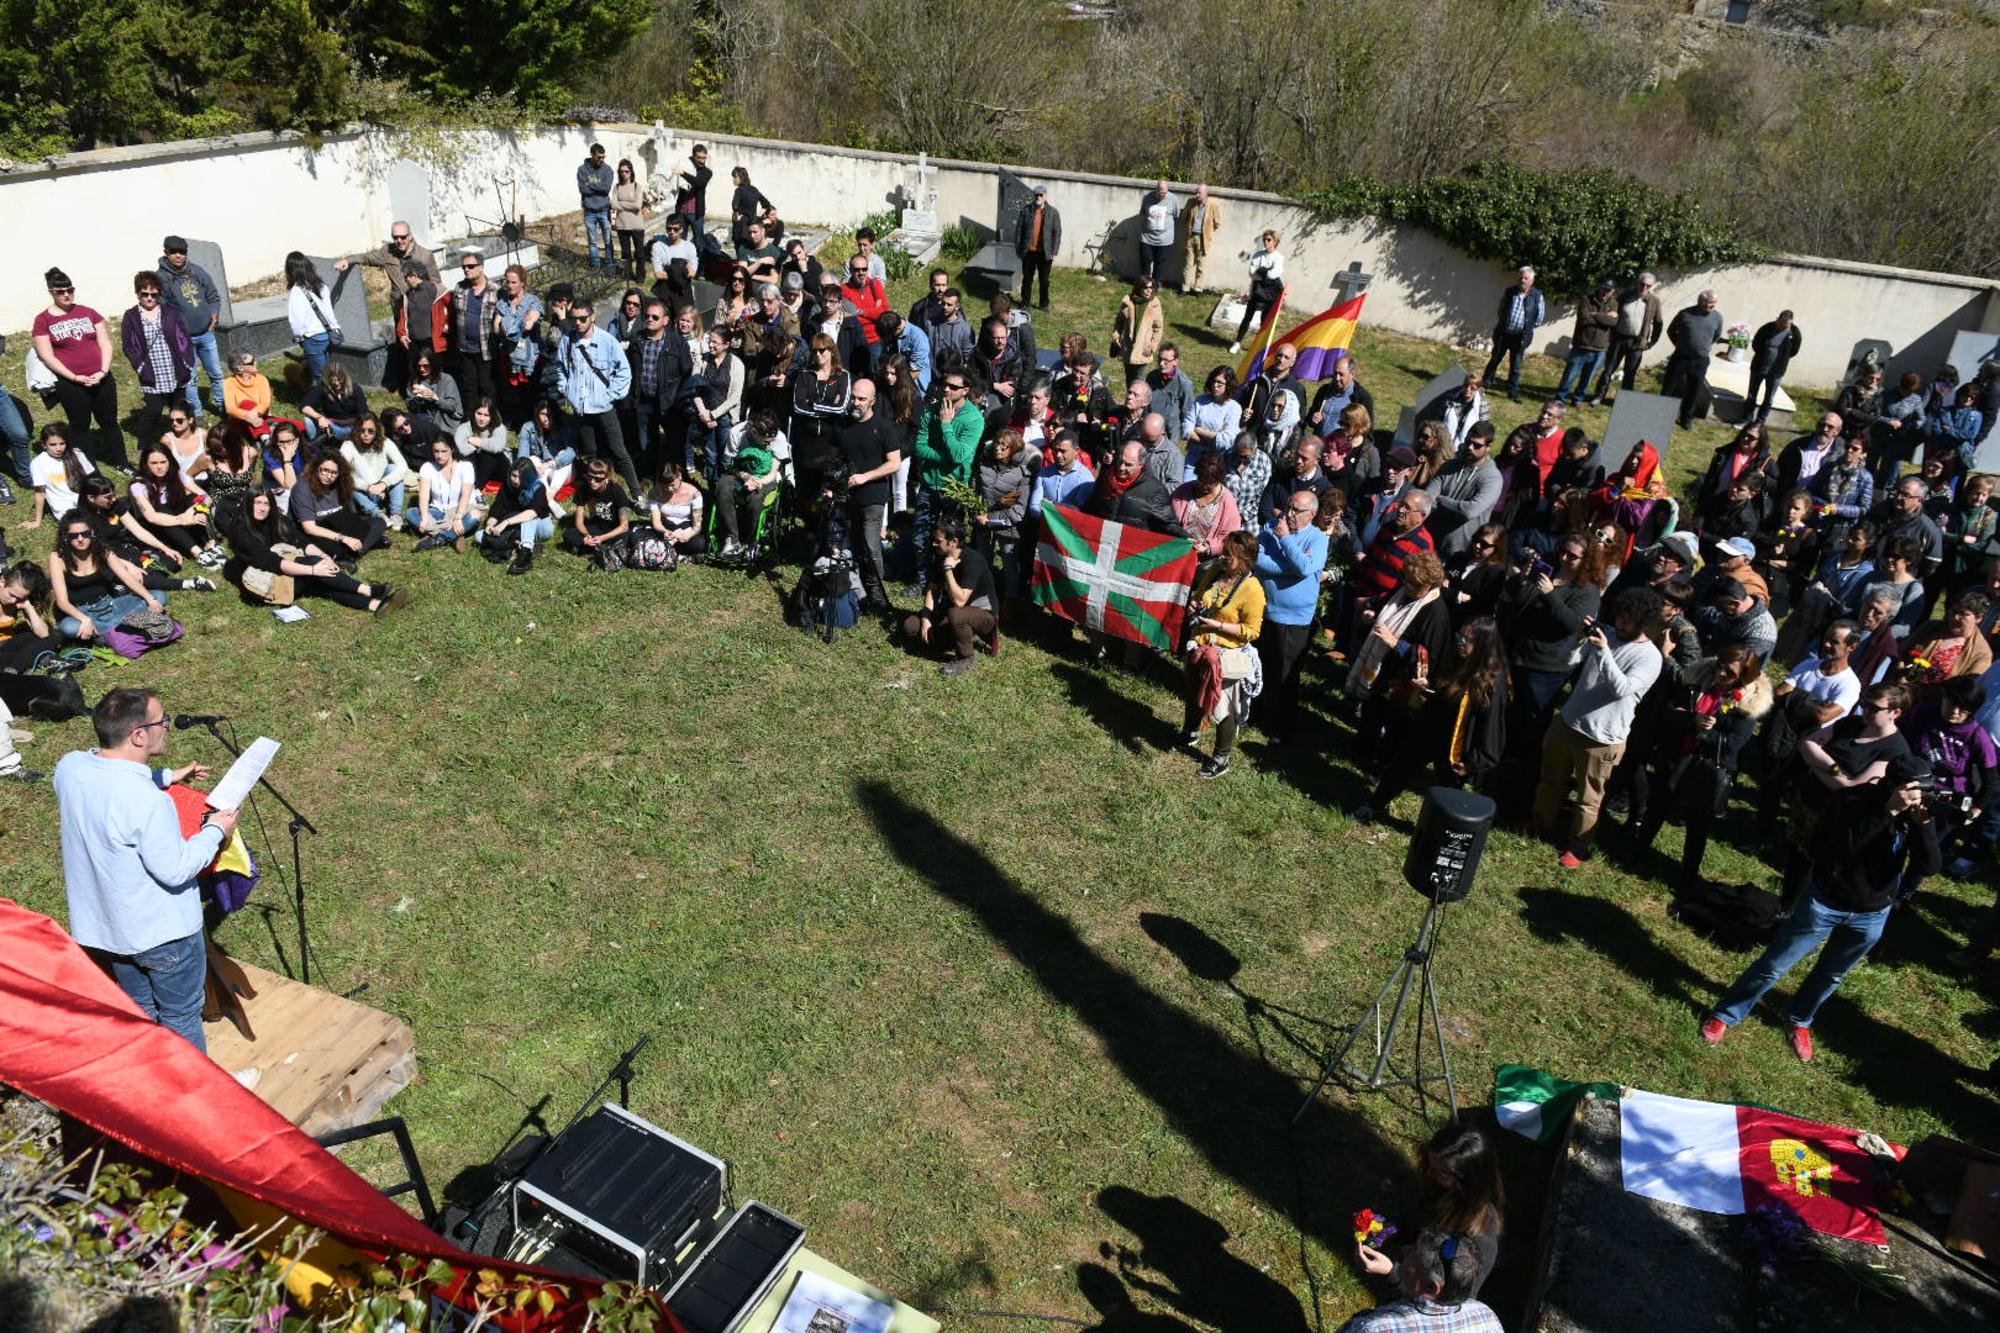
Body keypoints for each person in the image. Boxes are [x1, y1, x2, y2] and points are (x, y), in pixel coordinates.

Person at [1702, 751, 1938, 1063]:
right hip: (1826, 902)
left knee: (1832, 975)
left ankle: (1799, 1020)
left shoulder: (1914, 815)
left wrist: (1924, 827)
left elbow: (1931, 865)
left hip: (1872, 914)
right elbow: (1838, 849)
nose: (1920, 797)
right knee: (1775, 965)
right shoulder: (1852, 801)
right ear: (1897, 786)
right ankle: (1727, 1014)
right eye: (1916, 789)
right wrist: (1887, 813)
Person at [53, 688, 240, 1053]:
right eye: (162, 721)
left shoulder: (70, 767)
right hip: (162, 935)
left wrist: (168, 775)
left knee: (140, 1013)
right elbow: (177, 868)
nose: (167, 726)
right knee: (181, 1016)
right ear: (138, 735)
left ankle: (154, 1089)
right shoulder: (149, 804)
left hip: (109, 931)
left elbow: (113, 782)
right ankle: (194, 1097)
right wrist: (216, 830)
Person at [1532, 587, 1666, 868]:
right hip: (1568, 722)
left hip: (1602, 738)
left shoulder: (1650, 658)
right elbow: (1566, 661)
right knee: (1550, 782)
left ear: (1644, 623)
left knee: (1588, 798)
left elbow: (1622, 689)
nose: (1619, 623)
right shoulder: (1609, 634)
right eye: (1618, 616)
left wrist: (1604, 651)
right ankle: (1541, 824)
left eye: (1627, 620)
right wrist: (1579, 642)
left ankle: (1578, 848)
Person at [1629, 645, 1772, 890]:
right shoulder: (1698, 679)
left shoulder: (1747, 703)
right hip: (1676, 755)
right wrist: (1691, 719)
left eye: (1730, 673)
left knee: (1697, 825)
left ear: (1743, 678)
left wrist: (1708, 733)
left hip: (1705, 769)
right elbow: (1670, 711)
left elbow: (1734, 743)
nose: (1722, 674)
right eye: (1721, 666)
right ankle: (1637, 853)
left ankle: (1687, 878)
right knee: (1657, 807)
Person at [1354, 616, 1508, 823]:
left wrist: (1472, 764)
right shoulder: (1457, 659)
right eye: (1460, 635)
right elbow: (1444, 689)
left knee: (1446, 791)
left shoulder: (1491, 683)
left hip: (1455, 743)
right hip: (1430, 727)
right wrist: (1428, 686)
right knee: (1401, 766)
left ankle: (1438, 829)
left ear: (1483, 646)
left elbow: (1491, 730)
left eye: (1468, 639)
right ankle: (1374, 805)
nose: (1461, 642)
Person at [220, 490, 402, 613]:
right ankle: (369, 590)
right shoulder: (241, 532)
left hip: (284, 570)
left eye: (266, 503)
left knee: (322, 585)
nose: (262, 508)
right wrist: (314, 568)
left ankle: (375, 605)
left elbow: (299, 540)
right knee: (316, 572)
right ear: (247, 504)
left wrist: (323, 556)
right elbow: (274, 563)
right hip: (264, 583)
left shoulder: (276, 520)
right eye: (257, 502)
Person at [1180, 530, 1264, 779]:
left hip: (1225, 654)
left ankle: (1221, 757)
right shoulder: (1215, 572)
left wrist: (1218, 626)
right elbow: (1199, 596)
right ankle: (1190, 733)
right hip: (1200, 646)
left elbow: (1252, 631)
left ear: (1246, 559)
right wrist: (1195, 605)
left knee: (1221, 706)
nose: (1224, 558)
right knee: (1194, 691)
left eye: (1230, 555)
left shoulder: (1252, 589)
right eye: (1224, 552)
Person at [1252, 489, 1331, 743]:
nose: (1289, 514)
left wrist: (1285, 541)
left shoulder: (1317, 539)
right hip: (1264, 609)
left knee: (1286, 674)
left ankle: (1280, 728)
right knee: (1260, 664)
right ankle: (1255, 712)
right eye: (1288, 507)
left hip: (1294, 619)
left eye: (1297, 510)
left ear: (1313, 513)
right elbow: (1257, 559)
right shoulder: (1270, 527)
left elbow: (1307, 567)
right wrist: (1291, 568)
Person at [34, 267, 126, 469]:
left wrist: (102, 371)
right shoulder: (43, 320)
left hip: (102, 379)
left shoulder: (87, 312)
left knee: (109, 422)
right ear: (51, 292)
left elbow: (106, 344)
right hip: (71, 384)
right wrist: (74, 377)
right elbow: (46, 356)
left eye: (69, 290)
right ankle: (88, 468)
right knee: (80, 427)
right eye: (60, 291)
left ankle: (122, 462)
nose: (66, 294)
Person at [1342, 1227, 1502, 1333]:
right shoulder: (1485, 1317)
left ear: (1432, 1288)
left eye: (1414, 1253)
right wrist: (1392, 1270)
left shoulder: (1375, 1328)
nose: (1405, 1249)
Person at [557, 298, 640, 493]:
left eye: (582, 319)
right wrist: (566, 389)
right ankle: (596, 491)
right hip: (581, 409)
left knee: (619, 451)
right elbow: (561, 368)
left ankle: (636, 493)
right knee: (591, 452)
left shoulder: (607, 341)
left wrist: (610, 395)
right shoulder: (567, 341)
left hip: (604, 407)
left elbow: (624, 371)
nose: (578, 323)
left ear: (592, 317)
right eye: (574, 319)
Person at [912, 372, 986, 587]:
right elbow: (919, 447)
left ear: (965, 391)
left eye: (953, 387)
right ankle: (923, 581)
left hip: (953, 489)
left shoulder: (973, 418)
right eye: (944, 384)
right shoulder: (932, 410)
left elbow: (959, 455)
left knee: (951, 540)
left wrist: (946, 425)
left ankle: (948, 582)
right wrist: (943, 459)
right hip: (929, 483)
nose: (946, 389)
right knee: (921, 537)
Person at [902, 513, 998, 676]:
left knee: (956, 614)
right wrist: (925, 619)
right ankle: (948, 639)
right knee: (911, 626)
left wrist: (948, 570)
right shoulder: (940, 556)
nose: (934, 544)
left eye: (938, 541)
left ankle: (965, 657)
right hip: (953, 612)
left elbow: (960, 601)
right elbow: (932, 590)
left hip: (983, 615)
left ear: (953, 542)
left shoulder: (972, 560)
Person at [47, 513, 167, 643]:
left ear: (92, 532)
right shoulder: (58, 558)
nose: (80, 539)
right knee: (69, 627)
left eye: (85, 533)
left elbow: (127, 579)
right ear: (65, 537)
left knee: (159, 596)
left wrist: (150, 599)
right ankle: (125, 627)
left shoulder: (102, 550)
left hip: (110, 606)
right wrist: (85, 619)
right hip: (80, 611)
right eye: (73, 536)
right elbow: (62, 602)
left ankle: (106, 633)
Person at [121, 271, 196, 453]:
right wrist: (140, 367)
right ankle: (144, 445)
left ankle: (182, 441)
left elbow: (184, 337)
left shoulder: (170, 312)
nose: (149, 298)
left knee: (177, 408)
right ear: (138, 293)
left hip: (174, 367)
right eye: (144, 294)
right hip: (151, 370)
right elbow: (129, 346)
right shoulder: (131, 316)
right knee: (153, 410)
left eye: (153, 294)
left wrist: (187, 362)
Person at [157, 236, 227, 418]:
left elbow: (213, 295)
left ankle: (223, 405)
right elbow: (161, 309)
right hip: (184, 340)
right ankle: (197, 414)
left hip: (206, 333)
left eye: (182, 252)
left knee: (217, 373)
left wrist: (214, 316)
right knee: (190, 379)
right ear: (166, 253)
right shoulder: (161, 278)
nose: (178, 256)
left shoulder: (197, 271)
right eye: (173, 252)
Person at [128, 442, 222, 568]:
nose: (159, 467)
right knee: (163, 510)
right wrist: (182, 520)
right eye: (154, 463)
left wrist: (191, 511)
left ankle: (208, 543)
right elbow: (151, 517)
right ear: (146, 465)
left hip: (181, 515)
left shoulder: (176, 474)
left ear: (169, 462)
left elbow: (205, 496)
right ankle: (198, 553)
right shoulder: (139, 485)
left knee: (194, 499)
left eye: (163, 462)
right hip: (158, 525)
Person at [714, 409, 787, 557]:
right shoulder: (736, 433)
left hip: (765, 477)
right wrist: (746, 476)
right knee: (723, 487)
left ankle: (752, 540)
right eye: (766, 441)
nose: (768, 444)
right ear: (753, 431)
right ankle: (732, 538)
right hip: (739, 472)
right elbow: (730, 466)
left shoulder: (779, 438)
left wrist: (758, 481)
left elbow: (773, 472)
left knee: (756, 498)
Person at [1426, 425, 1502, 557]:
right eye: (1467, 442)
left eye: (1477, 445)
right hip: (1429, 539)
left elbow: (1470, 511)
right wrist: (1457, 505)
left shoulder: (1492, 478)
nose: (1470, 447)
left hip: (1459, 552)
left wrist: (1442, 500)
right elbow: (1427, 499)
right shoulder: (1449, 466)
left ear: (1489, 447)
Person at [479, 456, 557, 575]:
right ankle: (523, 546)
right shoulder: (506, 487)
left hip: (541, 527)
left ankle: (525, 554)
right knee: (480, 536)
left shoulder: (537, 488)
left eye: (521, 477)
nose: (516, 480)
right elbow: (496, 509)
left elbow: (533, 512)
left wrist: (505, 523)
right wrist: (490, 525)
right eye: (514, 475)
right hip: (517, 527)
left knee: (529, 517)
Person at [1592, 272, 1661, 405]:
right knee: (1609, 369)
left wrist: (1652, 341)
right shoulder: (1626, 296)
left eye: (1648, 286)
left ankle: (1623, 402)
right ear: (1637, 283)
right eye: (1642, 284)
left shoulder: (1655, 301)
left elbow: (1658, 322)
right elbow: (1613, 311)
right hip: (1619, 338)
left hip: (1638, 342)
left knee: (1630, 373)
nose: (1644, 288)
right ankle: (1598, 396)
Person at [1482, 266, 1545, 403]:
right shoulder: (1510, 292)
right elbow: (1501, 309)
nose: (1522, 280)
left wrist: (1526, 328)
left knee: (1515, 366)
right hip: (1504, 334)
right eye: (1520, 277)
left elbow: (1539, 318)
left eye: (1525, 278)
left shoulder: (1537, 296)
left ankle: (1512, 391)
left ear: (1531, 281)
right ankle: (1485, 385)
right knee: (1495, 359)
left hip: (1520, 337)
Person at [1663, 290, 1724, 430]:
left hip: (1700, 360)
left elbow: (1716, 336)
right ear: (1700, 302)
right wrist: (1680, 345)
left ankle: (1686, 419)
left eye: (1713, 305)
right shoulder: (1685, 314)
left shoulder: (1717, 317)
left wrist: (1702, 347)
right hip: (1681, 357)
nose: (1711, 308)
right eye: (1709, 305)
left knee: (1694, 391)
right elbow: (1671, 331)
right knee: (1669, 387)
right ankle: (1663, 414)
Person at [407, 436, 479, 551]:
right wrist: (425, 517)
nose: (439, 455)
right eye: (436, 451)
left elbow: (466, 494)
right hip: (437, 512)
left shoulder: (466, 466)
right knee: (411, 513)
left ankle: (434, 539)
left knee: (474, 515)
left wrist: (458, 518)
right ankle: (454, 535)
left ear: (452, 449)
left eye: (443, 451)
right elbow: (424, 495)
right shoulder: (427, 467)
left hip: (459, 509)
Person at [1554, 279, 1619, 405]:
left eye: (1609, 290)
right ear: (1600, 287)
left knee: (1588, 378)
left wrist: (1595, 314)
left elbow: (1613, 323)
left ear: (1613, 291)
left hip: (1599, 349)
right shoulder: (1586, 300)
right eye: (1604, 289)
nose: (1605, 293)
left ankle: (1577, 399)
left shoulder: (1614, 304)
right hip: (1581, 345)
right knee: (1570, 375)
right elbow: (1584, 319)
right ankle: (1560, 398)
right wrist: (1605, 316)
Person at [564, 455, 638, 565]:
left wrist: (602, 538)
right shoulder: (584, 489)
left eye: (598, 479)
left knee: (627, 536)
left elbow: (624, 526)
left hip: (615, 530)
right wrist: (586, 536)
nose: (592, 482)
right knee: (568, 534)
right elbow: (579, 522)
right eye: (589, 477)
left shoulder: (617, 491)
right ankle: (596, 546)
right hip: (598, 527)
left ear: (606, 478)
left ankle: (594, 547)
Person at [1172, 450, 1243, 562]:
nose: (1204, 486)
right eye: (1201, 480)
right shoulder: (1183, 491)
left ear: (1218, 480)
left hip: (1205, 561)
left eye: (1210, 483)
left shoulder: (1227, 502)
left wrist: (1210, 548)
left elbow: (1232, 540)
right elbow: (1168, 520)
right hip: (1177, 552)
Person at [23, 422, 95, 531]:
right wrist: (37, 521)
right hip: (66, 510)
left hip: (88, 503)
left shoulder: (76, 453)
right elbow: (40, 493)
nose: (58, 448)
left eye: (62, 443)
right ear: (44, 444)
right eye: (53, 445)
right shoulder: (39, 463)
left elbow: (91, 481)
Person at [341, 414, 409, 530]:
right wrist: (368, 487)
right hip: (362, 492)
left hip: (383, 490)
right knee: (346, 481)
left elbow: (403, 466)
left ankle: (395, 514)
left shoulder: (385, 442)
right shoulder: (349, 445)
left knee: (393, 468)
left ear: (377, 430)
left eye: (370, 431)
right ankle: (377, 514)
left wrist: (384, 483)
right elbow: (343, 472)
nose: (366, 434)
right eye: (362, 430)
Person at [283, 251, 341, 383]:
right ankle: (336, 397)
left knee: (320, 377)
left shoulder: (297, 291)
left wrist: (299, 338)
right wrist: (334, 327)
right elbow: (328, 311)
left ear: (291, 271)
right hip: (327, 334)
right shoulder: (320, 285)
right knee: (330, 372)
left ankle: (327, 401)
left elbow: (296, 320)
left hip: (311, 337)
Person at [1230, 230, 1285, 354]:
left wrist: (1260, 270)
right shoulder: (1257, 255)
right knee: (1247, 317)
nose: (1266, 242)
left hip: (1271, 293)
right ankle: (1237, 342)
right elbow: (1252, 273)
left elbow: (1273, 274)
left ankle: (1258, 347)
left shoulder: (1278, 257)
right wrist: (1265, 272)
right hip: (1257, 290)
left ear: (1275, 242)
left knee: (1264, 321)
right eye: (1264, 239)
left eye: (1269, 239)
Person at [644, 460, 707, 562]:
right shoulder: (654, 493)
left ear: (679, 476)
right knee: (645, 537)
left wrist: (689, 534)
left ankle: (664, 551)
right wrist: (664, 531)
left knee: (699, 543)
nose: (669, 489)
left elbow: (697, 526)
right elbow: (656, 522)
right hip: (665, 527)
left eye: (672, 485)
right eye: (664, 486)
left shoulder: (694, 493)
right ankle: (677, 554)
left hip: (685, 528)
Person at [1747, 310, 1803, 424]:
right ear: (1777, 318)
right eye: (1781, 323)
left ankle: (1760, 421)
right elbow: (1756, 344)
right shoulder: (1767, 328)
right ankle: (1747, 418)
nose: (1783, 326)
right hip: (1759, 367)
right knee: (1752, 394)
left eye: (1786, 325)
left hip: (1776, 372)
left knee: (1769, 398)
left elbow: (1793, 351)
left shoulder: (1795, 333)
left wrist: (1781, 360)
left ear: (1791, 323)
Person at [1110, 277, 1164, 387]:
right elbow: (1118, 323)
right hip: (1126, 348)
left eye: (1151, 287)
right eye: (1145, 287)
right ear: (1139, 288)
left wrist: (1152, 346)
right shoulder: (1128, 301)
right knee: (1129, 380)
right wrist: (1116, 337)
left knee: (1139, 380)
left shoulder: (1154, 304)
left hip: (1142, 350)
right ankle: (1130, 401)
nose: (1149, 290)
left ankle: (1140, 403)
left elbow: (1158, 329)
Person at [1014, 184, 1060, 310]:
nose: (1038, 197)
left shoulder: (1053, 213)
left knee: (1044, 280)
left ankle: (1044, 303)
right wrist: (1018, 248)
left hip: (1045, 252)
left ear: (1045, 196)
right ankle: (1025, 302)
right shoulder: (1026, 210)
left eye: (1041, 194)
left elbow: (1057, 232)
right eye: (1036, 194)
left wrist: (1054, 250)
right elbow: (1019, 231)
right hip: (1029, 252)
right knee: (1027, 279)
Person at [300, 362, 366, 443]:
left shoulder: (356, 389)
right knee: (308, 420)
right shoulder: (323, 388)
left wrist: (338, 422)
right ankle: (322, 439)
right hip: (329, 424)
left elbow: (363, 414)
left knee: (335, 432)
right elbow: (304, 406)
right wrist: (320, 418)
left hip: (350, 427)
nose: (337, 383)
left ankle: (322, 440)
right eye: (333, 381)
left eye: (339, 380)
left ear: (345, 378)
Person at [576, 142, 615, 268]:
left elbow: (606, 188)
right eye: (599, 157)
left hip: (604, 210)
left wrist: (590, 186)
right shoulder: (582, 170)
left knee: (608, 240)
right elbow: (583, 189)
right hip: (589, 211)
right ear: (592, 155)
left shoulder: (608, 170)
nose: (601, 160)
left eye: (604, 157)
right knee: (592, 242)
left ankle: (610, 266)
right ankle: (596, 266)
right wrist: (597, 187)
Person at [1179, 183, 1222, 294]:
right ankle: (1185, 288)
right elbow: (1183, 217)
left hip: (1203, 240)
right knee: (1188, 264)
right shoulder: (1191, 203)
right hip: (1191, 237)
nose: (1197, 195)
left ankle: (1198, 289)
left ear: (1206, 193)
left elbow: (1217, 223)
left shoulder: (1213, 206)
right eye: (1196, 193)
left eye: (1199, 193)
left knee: (1201, 266)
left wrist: (1208, 234)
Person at [610, 157, 647, 280]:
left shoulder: (637, 186)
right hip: (622, 225)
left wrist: (621, 204)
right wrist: (613, 220)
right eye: (621, 171)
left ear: (631, 172)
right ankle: (628, 275)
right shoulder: (616, 187)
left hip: (637, 225)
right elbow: (613, 205)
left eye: (626, 171)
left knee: (639, 253)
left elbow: (637, 206)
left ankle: (640, 276)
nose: (624, 174)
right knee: (625, 253)